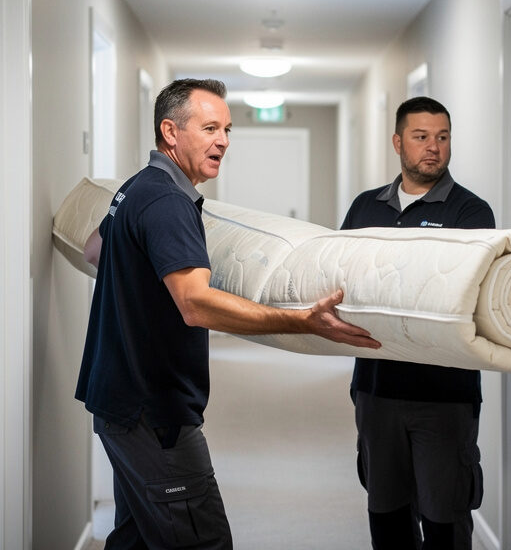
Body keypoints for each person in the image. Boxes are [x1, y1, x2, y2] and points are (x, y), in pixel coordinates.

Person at [76, 77, 380, 550]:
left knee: (137, 538)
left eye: (228, 129)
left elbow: (96, 250)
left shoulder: (136, 189)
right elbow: (195, 303)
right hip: (153, 412)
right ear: (170, 132)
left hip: (118, 400)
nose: (223, 141)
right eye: (211, 127)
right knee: (203, 541)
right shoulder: (167, 201)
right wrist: (298, 321)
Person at [342, 96, 494, 550]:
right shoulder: (365, 208)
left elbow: (460, 296)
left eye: (443, 137)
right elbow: (346, 281)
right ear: (398, 142)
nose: (434, 148)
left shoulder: (470, 212)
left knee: (444, 522)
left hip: (444, 395)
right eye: (421, 136)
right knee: (386, 519)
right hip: (375, 388)